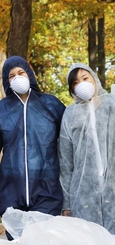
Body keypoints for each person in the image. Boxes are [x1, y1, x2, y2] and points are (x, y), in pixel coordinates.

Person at [0, 55, 66, 240]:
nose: (17, 78)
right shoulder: (1, 110)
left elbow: (69, 144)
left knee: (44, 242)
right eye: (11, 75)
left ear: (29, 74)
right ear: (7, 81)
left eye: (21, 72)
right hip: (11, 193)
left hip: (47, 191)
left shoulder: (51, 105)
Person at [58, 63, 115, 234]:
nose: (81, 84)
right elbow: (66, 162)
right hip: (83, 195)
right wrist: (66, 204)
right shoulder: (70, 114)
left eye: (85, 78)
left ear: (95, 79)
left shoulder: (111, 106)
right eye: (75, 83)